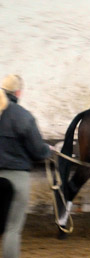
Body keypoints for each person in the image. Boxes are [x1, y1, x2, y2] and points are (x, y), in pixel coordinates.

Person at [0, 74, 52, 258]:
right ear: (19, 92)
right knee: (12, 229)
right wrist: (49, 150)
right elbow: (38, 152)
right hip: (16, 179)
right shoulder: (22, 116)